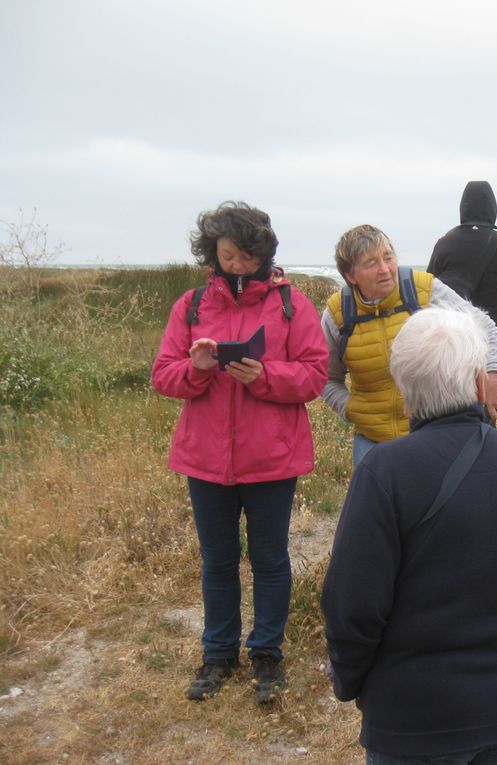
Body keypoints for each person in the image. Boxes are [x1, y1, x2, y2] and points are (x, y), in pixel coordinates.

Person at [320, 306, 497, 764]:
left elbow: (353, 606)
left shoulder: (384, 472)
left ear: (403, 392)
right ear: (481, 384)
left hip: (414, 716)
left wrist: (350, 680)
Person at [151, 201, 329, 704]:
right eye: (227, 255)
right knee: (218, 560)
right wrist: (199, 367)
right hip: (206, 458)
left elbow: (316, 375)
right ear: (212, 252)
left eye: (246, 257)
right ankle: (218, 655)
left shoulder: (293, 305)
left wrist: (265, 376)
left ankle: (267, 654)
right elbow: (163, 375)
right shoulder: (190, 306)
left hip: (271, 457)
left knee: (270, 558)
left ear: (264, 255)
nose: (236, 266)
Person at [320, 224, 497, 465]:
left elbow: (483, 326)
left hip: (435, 435)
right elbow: (325, 377)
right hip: (373, 441)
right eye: (371, 263)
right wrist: (351, 409)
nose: (385, 269)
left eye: (388, 257)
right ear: (350, 275)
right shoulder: (338, 313)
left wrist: (494, 372)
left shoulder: (423, 290)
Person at [427, 180, 497, 357]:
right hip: (494, 334)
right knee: (491, 384)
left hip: (456, 333)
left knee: (457, 384)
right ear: (493, 208)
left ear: (463, 207)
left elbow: (430, 288)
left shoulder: (444, 243)